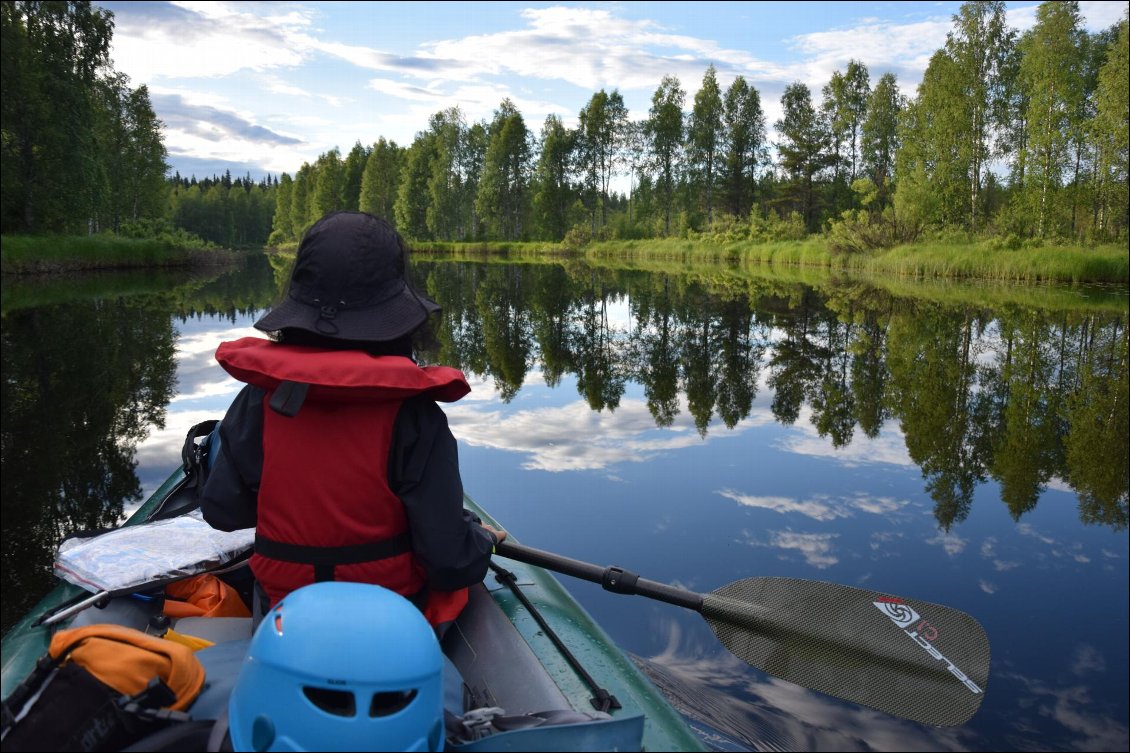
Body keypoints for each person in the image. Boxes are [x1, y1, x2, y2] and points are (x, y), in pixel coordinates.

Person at [201, 210, 504, 630]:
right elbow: (450, 563)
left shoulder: (260, 400)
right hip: (390, 616)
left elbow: (223, 511)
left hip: (285, 611)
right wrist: (480, 539)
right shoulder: (416, 416)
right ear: (397, 315)